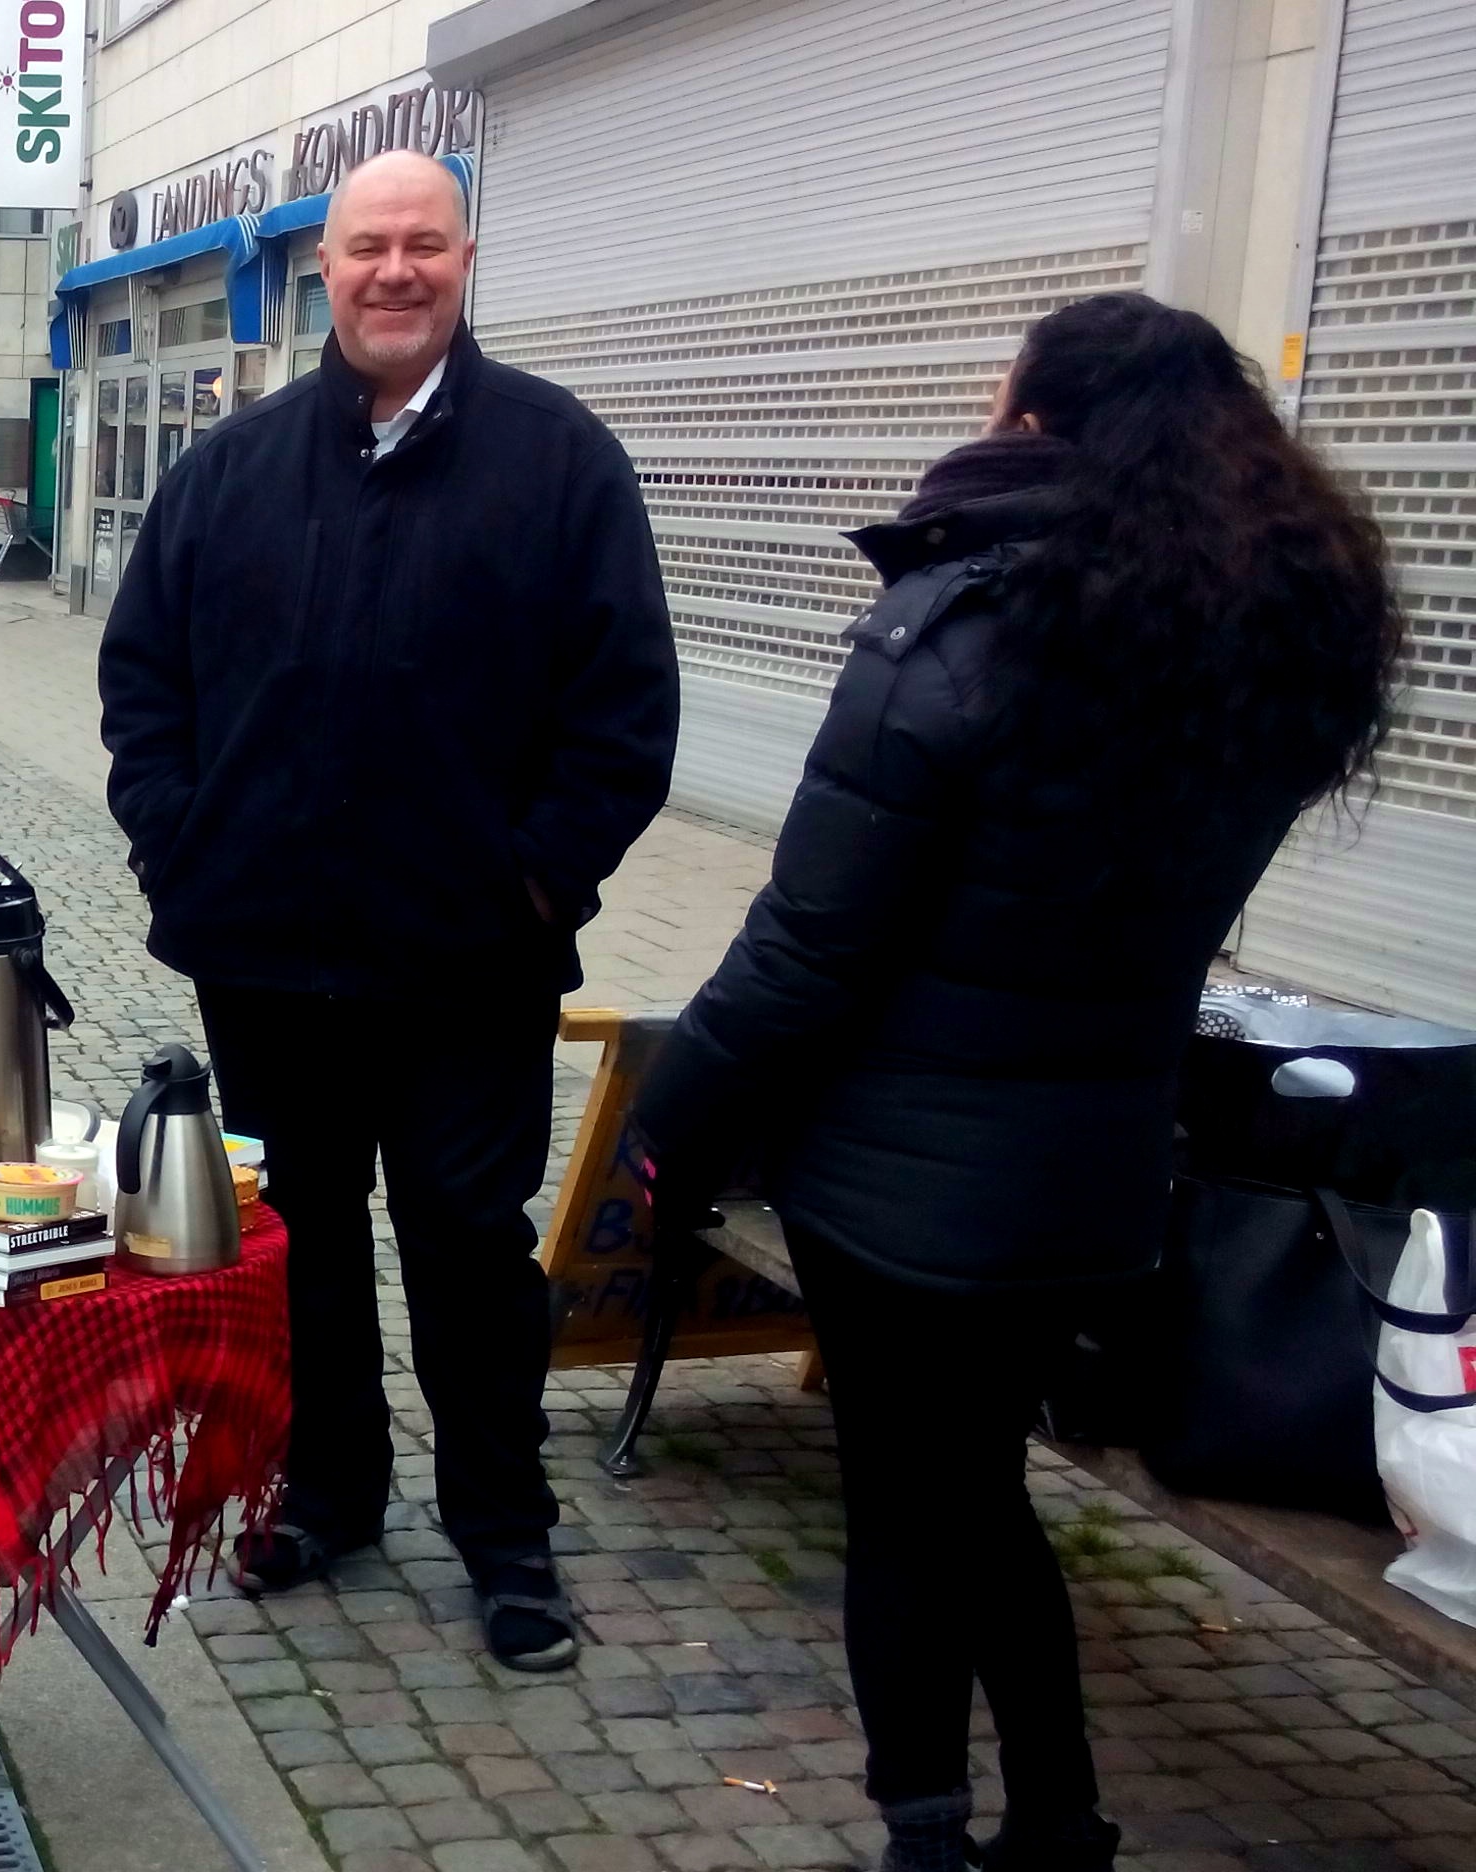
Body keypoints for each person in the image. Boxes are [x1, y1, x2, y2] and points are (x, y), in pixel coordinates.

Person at [628, 294, 1401, 1872]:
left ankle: (928, 1834)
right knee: (978, 1493)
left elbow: (805, 950)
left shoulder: (955, 631)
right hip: (1093, 1180)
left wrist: (667, 1124)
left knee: (914, 1514)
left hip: (899, 1190)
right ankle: (1059, 1822)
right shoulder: (1261, 646)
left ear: (1037, 421)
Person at [96, 151, 676, 1667]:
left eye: (424, 244)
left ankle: (504, 1532)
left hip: (467, 962)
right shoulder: (232, 469)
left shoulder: (559, 462)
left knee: (469, 1249)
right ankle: (327, 1491)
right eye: (367, 247)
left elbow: (624, 716)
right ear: (325, 269)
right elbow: (143, 682)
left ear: (466, 260)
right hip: (263, 952)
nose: (394, 271)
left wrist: (533, 878)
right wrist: (180, 845)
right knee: (300, 1241)